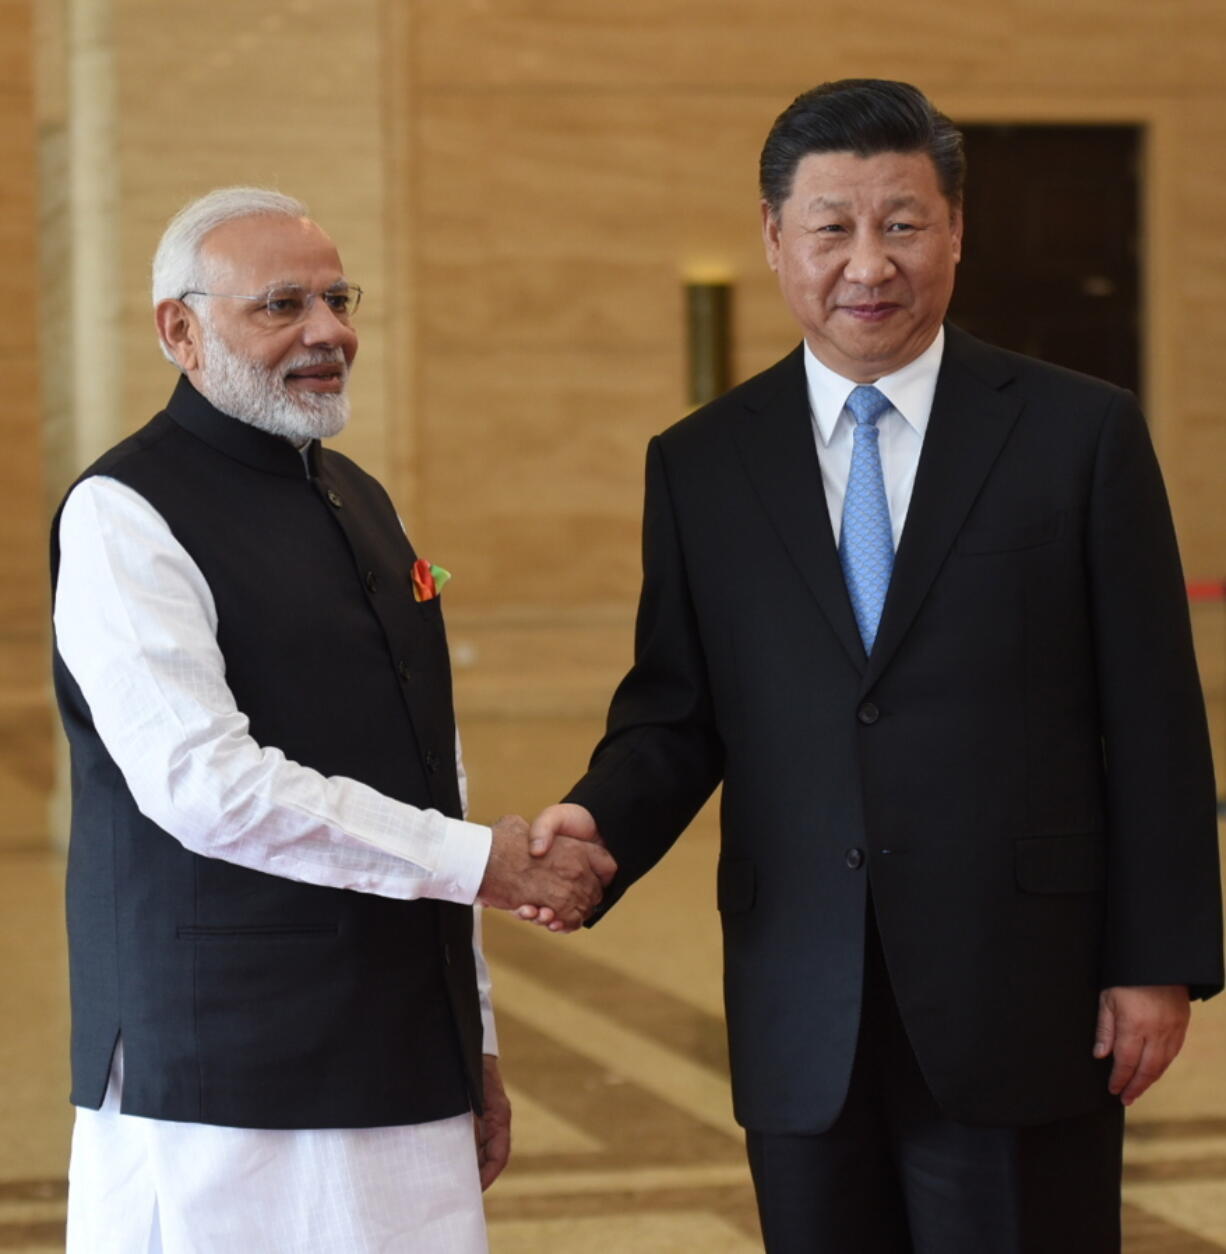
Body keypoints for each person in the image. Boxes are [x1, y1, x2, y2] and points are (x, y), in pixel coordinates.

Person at [527, 80, 1225, 1252]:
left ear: (956, 230)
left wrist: (1156, 961)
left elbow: (1151, 715)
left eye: (900, 224)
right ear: (771, 238)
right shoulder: (700, 465)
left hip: (1025, 990)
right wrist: (594, 827)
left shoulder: (1076, 433)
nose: (868, 264)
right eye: (830, 228)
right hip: (803, 996)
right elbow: (676, 713)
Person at [51, 186, 614, 1254]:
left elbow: (424, 782)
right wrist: (482, 861)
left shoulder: (359, 497)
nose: (327, 333)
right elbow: (205, 788)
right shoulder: (122, 514)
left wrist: (472, 1042)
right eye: (281, 306)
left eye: (337, 299)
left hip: (402, 1057)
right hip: (220, 1076)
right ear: (180, 329)